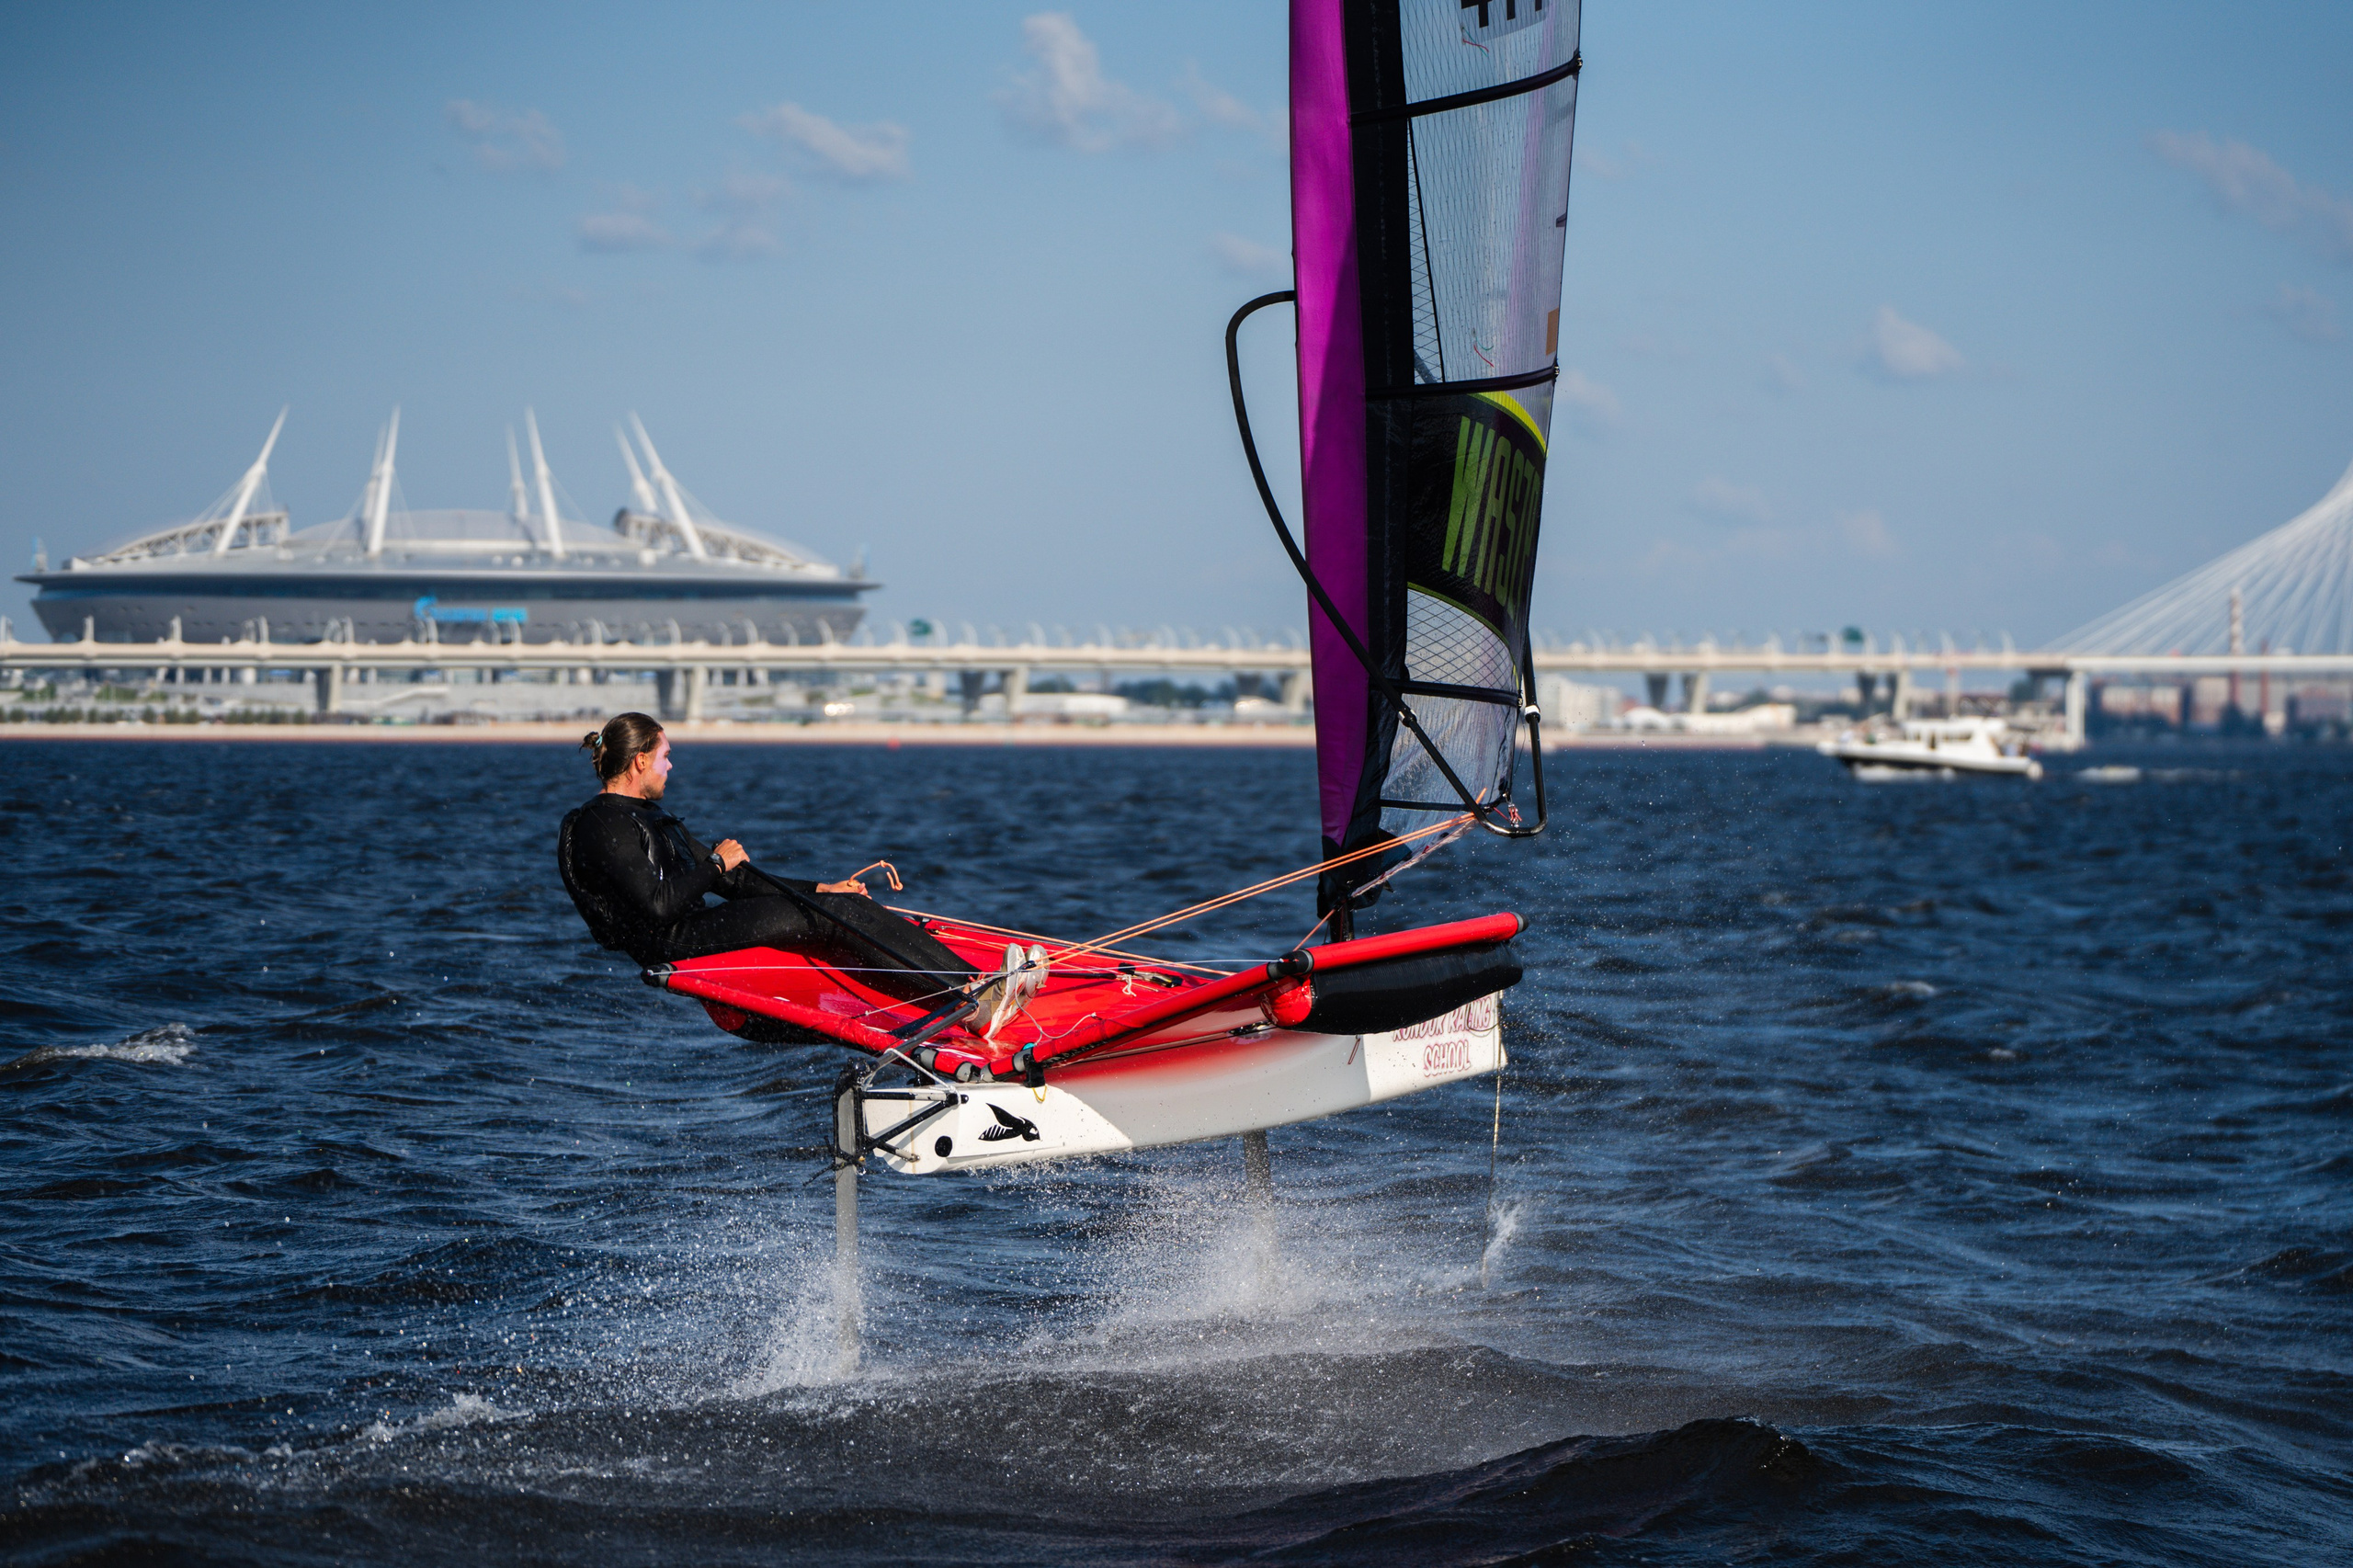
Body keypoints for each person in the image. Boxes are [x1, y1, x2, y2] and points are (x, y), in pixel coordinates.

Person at [556, 712, 972, 1001]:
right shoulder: (602, 825)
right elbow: (658, 904)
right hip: (671, 941)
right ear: (640, 760)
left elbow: (734, 882)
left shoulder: (650, 815)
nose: (670, 766)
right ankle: (964, 992)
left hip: (690, 927)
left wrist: (820, 888)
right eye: (665, 757)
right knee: (833, 916)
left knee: (841, 904)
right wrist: (715, 863)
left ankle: (965, 984)